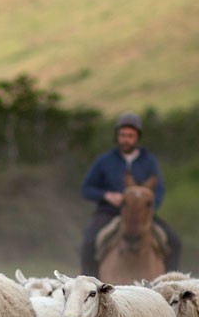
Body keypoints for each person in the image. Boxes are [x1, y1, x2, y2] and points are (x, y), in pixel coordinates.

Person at [77, 112, 181, 275]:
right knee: (88, 243)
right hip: (109, 213)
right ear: (117, 136)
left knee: (174, 242)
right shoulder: (104, 160)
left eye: (130, 136)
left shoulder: (148, 160)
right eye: (122, 135)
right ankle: (90, 287)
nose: (126, 139)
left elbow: (158, 190)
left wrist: (148, 209)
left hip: (141, 214)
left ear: (137, 137)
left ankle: (171, 287)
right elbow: (86, 189)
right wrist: (107, 196)